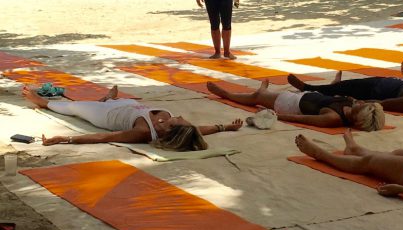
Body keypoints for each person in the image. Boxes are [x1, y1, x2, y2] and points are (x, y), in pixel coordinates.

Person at [22, 85, 242, 151]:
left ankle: (42, 101)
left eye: (182, 121)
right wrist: (225, 127)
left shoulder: (144, 132)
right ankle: (108, 97)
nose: (184, 117)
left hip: (105, 116)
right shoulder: (180, 127)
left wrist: (64, 138)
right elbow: (202, 129)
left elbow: (103, 138)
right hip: (131, 106)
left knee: (73, 107)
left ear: (171, 130)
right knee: (115, 100)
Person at [207, 80, 385, 131]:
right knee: (263, 95)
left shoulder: (333, 118)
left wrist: (274, 114)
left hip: (290, 104)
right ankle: (263, 91)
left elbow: (303, 119)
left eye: (362, 105)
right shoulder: (349, 104)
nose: (361, 102)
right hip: (307, 96)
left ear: (357, 116)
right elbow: (333, 97)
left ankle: (227, 94)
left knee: (258, 97)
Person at [288, 71, 403, 117]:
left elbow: (384, 103)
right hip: (382, 81)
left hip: (372, 88)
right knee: (341, 86)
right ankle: (334, 85)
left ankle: (306, 87)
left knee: (340, 89)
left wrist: (357, 102)